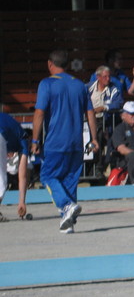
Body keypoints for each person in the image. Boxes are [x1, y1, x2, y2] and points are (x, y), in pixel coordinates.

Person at [31, 49, 99, 233]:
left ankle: (65, 206)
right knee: (70, 181)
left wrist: (35, 140)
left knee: (47, 176)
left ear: (49, 64)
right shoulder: (79, 85)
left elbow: (39, 113)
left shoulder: (47, 84)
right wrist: (94, 138)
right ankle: (67, 223)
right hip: (76, 142)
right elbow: (90, 113)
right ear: (68, 65)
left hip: (56, 141)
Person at [0, 112, 30, 221]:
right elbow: (22, 175)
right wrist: (22, 202)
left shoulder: (13, 130)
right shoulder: (23, 139)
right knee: (1, 181)